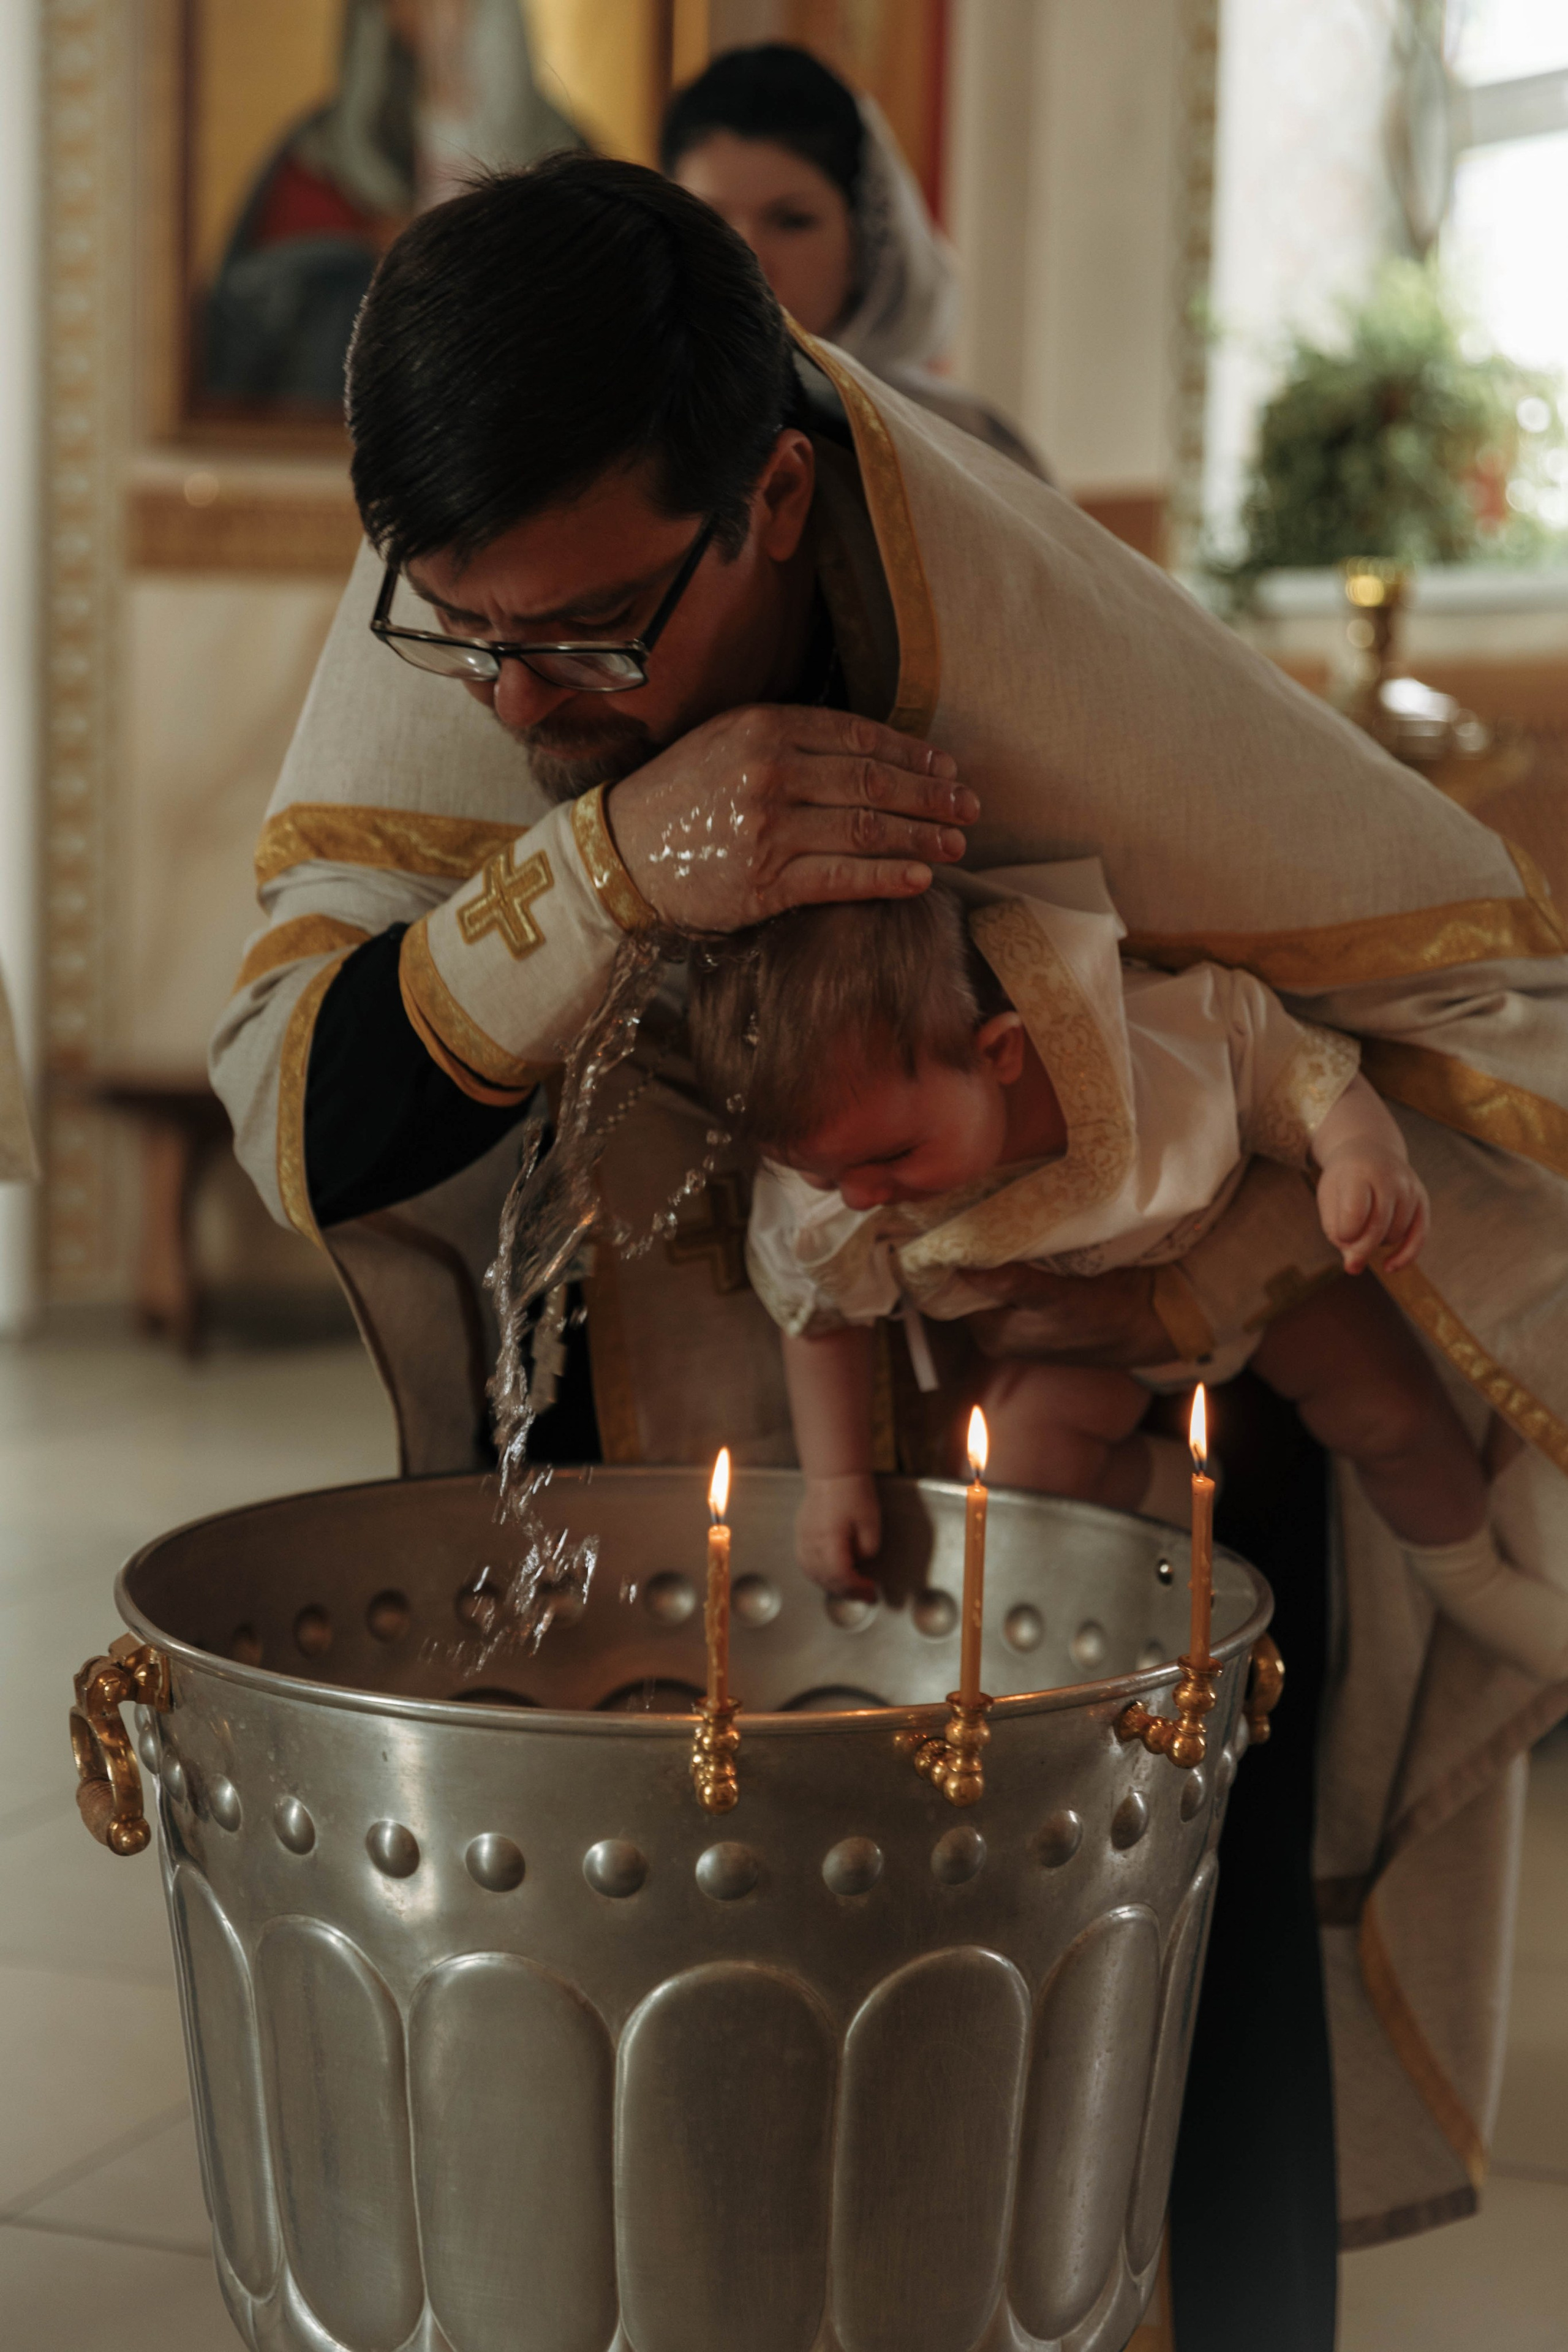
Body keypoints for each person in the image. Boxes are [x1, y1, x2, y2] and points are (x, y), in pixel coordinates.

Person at [209, 155, 1568, 2344]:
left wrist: (1192, 1247)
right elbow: (311, 1104)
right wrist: (614, 865)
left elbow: (1399, 983)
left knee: (1158, 2029)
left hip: (1137, 1392)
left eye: (587, 639)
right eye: (465, 632)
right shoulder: (482, 636)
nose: (524, 702)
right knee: (737, 2020)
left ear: (761, 500)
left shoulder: (1006, 618)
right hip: (720, 1396)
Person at [688, 877, 1567, 1681]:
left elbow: (1281, 1060)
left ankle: (1472, 1578)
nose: (861, 1194)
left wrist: (1357, 1153)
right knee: (1019, 1470)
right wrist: (834, 1482)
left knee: (1391, 1414)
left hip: (1231, 1236)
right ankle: (1193, 1503)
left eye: (891, 1158)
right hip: (1069, 1338)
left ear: (999, 1052)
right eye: (821, 1175)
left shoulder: (1127, 1035)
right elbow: (822, 1315)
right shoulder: (841, 1184)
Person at [662, 42, 1043, 472]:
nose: (748, 263)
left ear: (863, 241)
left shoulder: (967, 451)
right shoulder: (634, 428)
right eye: (709, 222)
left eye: (792, 221)